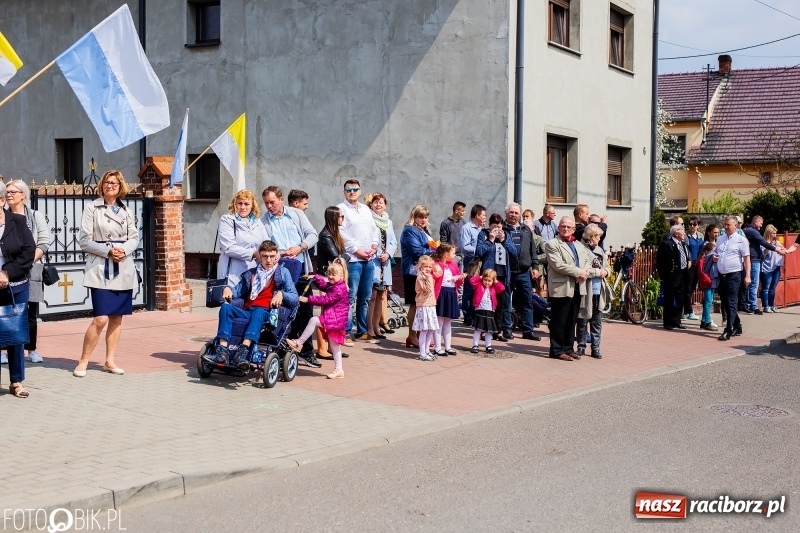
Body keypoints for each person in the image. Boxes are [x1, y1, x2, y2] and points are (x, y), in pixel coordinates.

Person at [73, 170, 139, 378]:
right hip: (100, 267)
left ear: (121, 187)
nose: (110, 186)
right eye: (107, 182)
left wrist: (124, 250)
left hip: (123, 267)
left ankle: (110, 360)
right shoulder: (92, 208)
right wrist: (108, 250)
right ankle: (83, 361)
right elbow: (84, 240)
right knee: (100, 318)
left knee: (117, 318)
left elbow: (134, 237)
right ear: (101, 185)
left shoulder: (127, 210)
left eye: (114, 183)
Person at [206, 240, 299, 369]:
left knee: (259, 312)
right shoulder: (251, 273)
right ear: (259, 256)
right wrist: (227, 289)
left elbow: (295, 299)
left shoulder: (283, 273)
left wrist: (282, 294)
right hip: (248, 311)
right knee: (226, 307)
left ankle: (243, 351)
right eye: (265, 256)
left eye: (272, 256)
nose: (268, 260)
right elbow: (237, 292)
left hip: (267, 313)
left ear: (277, 255)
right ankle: (222, 350)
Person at [260, 186, 319, 367]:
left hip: (301, 268)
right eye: (266, 203)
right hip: (279, 270)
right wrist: (277, 254)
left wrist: (300, 247)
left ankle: (307, 352)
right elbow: (263, 246)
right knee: (282, 309)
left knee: (304, 310)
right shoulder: (263, 222)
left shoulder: (296, 214)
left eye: (272, 202)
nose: (269, 206)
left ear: (281, 199)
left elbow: (313, 235)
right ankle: (283, 348)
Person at [545, 216, 606, 362]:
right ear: (558, 228)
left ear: (573, 229)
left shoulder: (578, 244)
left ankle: (568, 348)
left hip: (578, 287)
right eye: (563, 226)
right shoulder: (552, 243)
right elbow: (558, 265)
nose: (565, 229)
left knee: (571, 320)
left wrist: (584, 272)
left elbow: (586, 261)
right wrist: (578, 272)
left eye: (568, 227)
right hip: (561, 287)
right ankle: (557, 350)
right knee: (559, 320)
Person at [5, 180, 49, 363]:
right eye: (7, 192)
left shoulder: (35, 216)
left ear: (23, 195)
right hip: (6, 271)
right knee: (6, 311)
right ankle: (3, 349)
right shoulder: (3, 216)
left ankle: (31, 349)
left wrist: (26, 262)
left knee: (30, 312)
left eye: (13, 192)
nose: (9, 195)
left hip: (32, 268)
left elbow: (44, 242)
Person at [0, 181, 36, 397]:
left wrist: (6, 273)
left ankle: (16, 382)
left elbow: (28, 252)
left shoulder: (18, 222)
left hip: (15, 285)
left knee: (14, 333)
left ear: (2, 200)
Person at [287, 259, 349, 379]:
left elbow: (326, 300)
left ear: (341, 276)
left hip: (335, 319)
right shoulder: (335, 285)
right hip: (335, 318)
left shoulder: (339, 289)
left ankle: (299, 342)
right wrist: (314, 277)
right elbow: (324, 285)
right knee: (335, 346)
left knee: (313, 320)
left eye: (333, 275)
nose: (330, 277)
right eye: (329, 274)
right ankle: (339, 369)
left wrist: (308, 299)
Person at [337, 179, 379, 343]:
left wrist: (374, 246)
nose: (352, 192)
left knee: (365, 297)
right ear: (344, 192)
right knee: (350, 296)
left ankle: (362, 331)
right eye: (349, 190)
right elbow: (342, 234)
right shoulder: (341, 209)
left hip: (369, 259)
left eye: (355, 189)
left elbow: (374, 229)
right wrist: (358, 251)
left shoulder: (365, 210)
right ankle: (346, 332)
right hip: (354, 260)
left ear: (360, 191)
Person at [475, 213, 519, 342]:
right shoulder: (483, 234)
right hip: (489, 275)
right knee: (487, 303)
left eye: (499, 226)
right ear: (489, 226)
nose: (497, 229)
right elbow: (479, 251)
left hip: (503, 275)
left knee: (501, 304)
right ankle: (484, 330)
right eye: (494, 226)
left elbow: (514, 252)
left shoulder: (506, 235)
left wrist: (504, 240)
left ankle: (498, 331)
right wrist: (490, 240)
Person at [501, 203, 540, 341]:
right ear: (506, 214)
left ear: (520, 215)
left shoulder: (526, 230)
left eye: (516, 213)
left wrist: (535, 267)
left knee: (527, 301)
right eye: (511, 212)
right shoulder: (502, 229)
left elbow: (532, 250)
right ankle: (506, 329)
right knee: (506, 301)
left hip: (524, 271)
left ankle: (528, 330)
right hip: (507, 271)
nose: (514, 215)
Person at [315, 206, 351, 355]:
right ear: (333, 218)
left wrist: (344, 257)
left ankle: (332, 346)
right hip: (327, 277)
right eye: (341, 216)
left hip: (334, 278)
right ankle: (322, 348)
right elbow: (337, 257)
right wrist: (345, 257)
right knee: (324, 314)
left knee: (332, 314)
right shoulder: (326, 236)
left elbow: (341, 257)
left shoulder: (334, 234)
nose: (343, 219)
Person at [400, 205, 436, 349]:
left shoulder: (424, 230)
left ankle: (420, 335)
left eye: (426, 217)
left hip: (423, 272)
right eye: (421, 217)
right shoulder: (410, 230)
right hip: (412, 271)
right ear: (414, 217)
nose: (424, 220)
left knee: (422, 304)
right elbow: (417, 251)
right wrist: (435, 250)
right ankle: (412, 335)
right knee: (415, 304)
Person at [217, 189, 270, 287]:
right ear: (234, 204)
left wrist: (274, 252)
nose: (243, 207)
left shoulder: (257, 222)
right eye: (239, 203)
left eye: (246, 204)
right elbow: (228, 248)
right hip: (233, 272)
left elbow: (266, 243)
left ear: (252, 206)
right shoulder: (227, 220)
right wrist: (253, 253)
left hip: (254, 271)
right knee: (232, 300)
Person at [365, 192, 397, 340]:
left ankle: (377, 326)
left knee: (381, 296)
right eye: (375, 202)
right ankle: (369, 327)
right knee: (371, 296)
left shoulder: (388, 222)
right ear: (371, 204)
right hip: (373, 260)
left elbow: (393, 242)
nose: (378, 204)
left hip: (385, 263)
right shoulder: (368, 219)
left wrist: (388, 254)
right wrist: (378, 253)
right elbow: (368, 239)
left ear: (385, 205)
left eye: (381, 202)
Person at [714, 216, 751, 341]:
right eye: (724, 224)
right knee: (725, 301)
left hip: (734, 274)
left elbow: (746, 259)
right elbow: (716, 253)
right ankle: (737, 325)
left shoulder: (741, 240)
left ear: (735, 225)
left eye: (728, 225)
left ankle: (728, 330)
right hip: (721, 275)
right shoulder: (720, 239)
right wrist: (714, 257)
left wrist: (747, 276)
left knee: (731, 301)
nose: (726, 227)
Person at [575, 224, 609, 358]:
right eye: (598, 236)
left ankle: (595, 348)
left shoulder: (600, 250)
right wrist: (597, 272)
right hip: (586, 289)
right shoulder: (581, 248)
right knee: (583, 319)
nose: (599, 239)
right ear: (591, 236)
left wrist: (606, 271)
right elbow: (582, 269)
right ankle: (581, 347)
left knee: (596, 321)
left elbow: (607, 267)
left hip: (598, 290)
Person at [743, 215, 786, 314]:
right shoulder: (752, 231)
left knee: (763, 286)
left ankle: (763, 305)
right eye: (760, 223)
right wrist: (775, 248)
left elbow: (783, 249)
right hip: (761, 264)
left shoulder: (754, 231)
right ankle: (754, 305)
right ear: (756, 221)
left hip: (767, 264)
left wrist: (778, 246)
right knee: (755, 284)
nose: (761, 226)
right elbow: (763, 244)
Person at [431, 243, 467, 356]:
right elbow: (433, 279)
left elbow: (457, 281)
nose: (454, 255)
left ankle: (448, 347)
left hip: (451, 294)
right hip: (441, 293)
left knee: (448, 321)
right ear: (446, 254)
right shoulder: (436, 265)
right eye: (453, 253)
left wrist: (460, 278)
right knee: (439, 321)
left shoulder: (454, 265)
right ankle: (437, 347)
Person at [657, 225, 691, 331]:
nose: (684, 233)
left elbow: (686, 255)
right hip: (672, 275)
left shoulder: (683, 243)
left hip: (683, 274)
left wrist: (688, 261)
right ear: (676, 233)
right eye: (683, 231)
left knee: (680, 298)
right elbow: (660, 262)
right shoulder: (667, 244)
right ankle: (668, 322)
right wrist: (663, 276)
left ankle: (677, 321)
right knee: (669, 298)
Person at [458, 204, 486, 326]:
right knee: (469, 288)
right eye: (483, 215)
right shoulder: (467, 228)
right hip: (471, 260)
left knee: (479, 288)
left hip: (482, 260)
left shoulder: (482, 228)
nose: (485, 217)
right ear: (477, 215)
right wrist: (479, 250)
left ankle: (475, 314)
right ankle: (467, 316)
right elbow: (465, 247)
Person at [760, 224, 797, 313]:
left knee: (773, 288)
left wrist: (781, 247)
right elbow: (763, 253)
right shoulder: (764, 242)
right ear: (768, 233)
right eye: (773, 233)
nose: (775, 235)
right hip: (767, 268)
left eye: (775, 233)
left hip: (776, 266)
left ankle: (772, 305)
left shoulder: (777, 242)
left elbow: (784, 250)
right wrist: (770, 246)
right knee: (766, 287)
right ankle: (766, 306)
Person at [468, 269, 505, 354]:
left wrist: (495, 281)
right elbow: (471, 280)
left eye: (489, 281)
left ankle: (488, 346)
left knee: (489, 331)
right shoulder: (478, 284)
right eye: (485, 280)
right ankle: (475, 345)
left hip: (490, 310)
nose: (487, 282)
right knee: (477, 329)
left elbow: (502, 288)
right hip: (480, 309)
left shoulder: (494, 287)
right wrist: (481, 277)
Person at [413, 255, 440, 361]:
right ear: (420, 267)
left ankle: (427, 350)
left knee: (430, 329)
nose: (428, 269)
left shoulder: (428, 276)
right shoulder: (421, 277)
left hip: (431, 305)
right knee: (424, 330)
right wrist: (429, 277)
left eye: (430, 267)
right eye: (426, 267)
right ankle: (422, 353)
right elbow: (428, 289)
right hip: (423, 306)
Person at [683, 216, 704, 321]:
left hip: (698, 264)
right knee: (687, 287)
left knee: (692, 288)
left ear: (698, 226)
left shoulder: (700, 236)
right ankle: (689, 311)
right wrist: (689, 260)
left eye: (694, 224)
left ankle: (686, 310)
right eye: (690, 224)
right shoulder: (686, 236)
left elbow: (702, 250)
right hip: (690, 264)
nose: (692, 226)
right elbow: (686, 249)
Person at [697, 242, 719, 331]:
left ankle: (703, 321)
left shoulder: (711, 260)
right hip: (707, 284)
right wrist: (710, 280)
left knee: (708, 302)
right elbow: (702, 274)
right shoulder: (702, 260)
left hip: (711, 283)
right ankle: (707, 322)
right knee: (708, 303)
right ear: (706, 251)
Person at [439, 201, 466, 269]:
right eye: (462, 211)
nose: (464, 212)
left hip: (462, 255)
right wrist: (447, 254)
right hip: (451, 255)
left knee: (460, 277)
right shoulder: (445, 223)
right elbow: (443, 241)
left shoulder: (463, 222)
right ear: (456, 211)